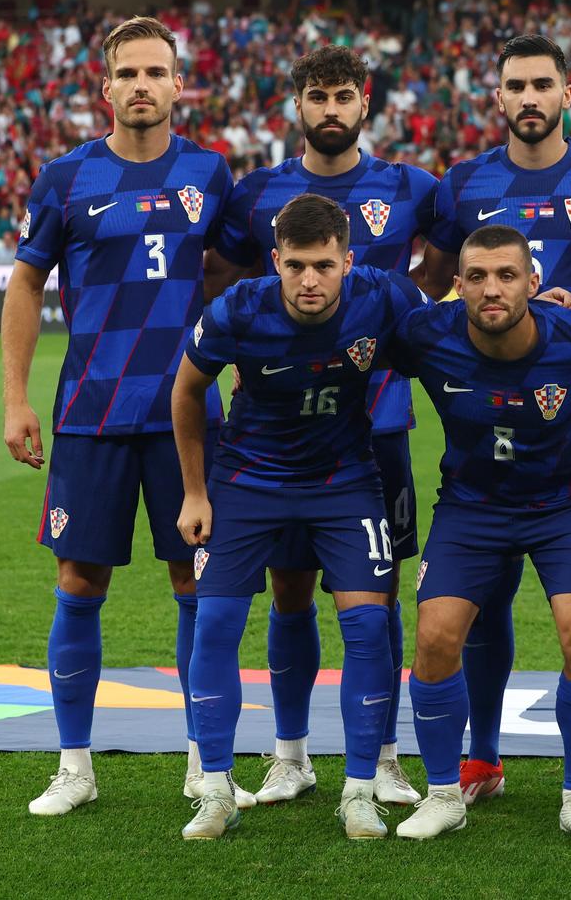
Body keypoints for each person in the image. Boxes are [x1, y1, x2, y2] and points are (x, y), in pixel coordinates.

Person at [1, 16, 241, 816]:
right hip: (90, 413)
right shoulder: (65, 177)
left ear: (180, 85)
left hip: (186, 417)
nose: (142, 85)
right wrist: (15, 397)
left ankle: (205, 764)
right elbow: (27, 285)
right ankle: (73, 765)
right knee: (78, 581)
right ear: (104, 88)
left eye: (157, 71)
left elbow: (240, 278)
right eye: (128, 73)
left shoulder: (211, 173)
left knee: (196, 584)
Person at [415, 34, 571, 808]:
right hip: (487, 412)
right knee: (486, 583)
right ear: (498, 96)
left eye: (541, 84)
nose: (528, 97)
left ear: (566, 92)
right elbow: (433, 281)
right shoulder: (464, 181)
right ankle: (482, 756)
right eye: (515, 84)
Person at [204, 44, 438, 807]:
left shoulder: (410, 186)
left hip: (377, 426)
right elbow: (227, 277)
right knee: (290, 590)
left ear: (364, 102)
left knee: (378, 592)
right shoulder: (256, 193)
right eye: (317, 96)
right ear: (296, 105)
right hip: (275, 433)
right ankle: (290, 754)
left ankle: (386, 755)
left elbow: (440, 280)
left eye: (343, 96)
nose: (330, 109)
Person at [171, 194, 426, 840]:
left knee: (368, 624)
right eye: (296, 266)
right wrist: (195, 492)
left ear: (349, 259)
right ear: (275, 261)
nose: (310, 280)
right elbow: (186, 389)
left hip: (344, 480)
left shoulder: (385, 297)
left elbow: (456, 342)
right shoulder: (238, 307)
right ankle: (218, 789)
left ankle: (361, 790)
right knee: (217, 622)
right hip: (249, 479)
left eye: (324, 265)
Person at [392, 224, 571, 842]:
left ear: (533, 281)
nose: (491, 289)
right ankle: (444, 793)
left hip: (565, 505)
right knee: (436, 637)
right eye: (476, 277)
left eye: (506, 275)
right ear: (456, 285)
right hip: (471, 506)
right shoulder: (425, 335)